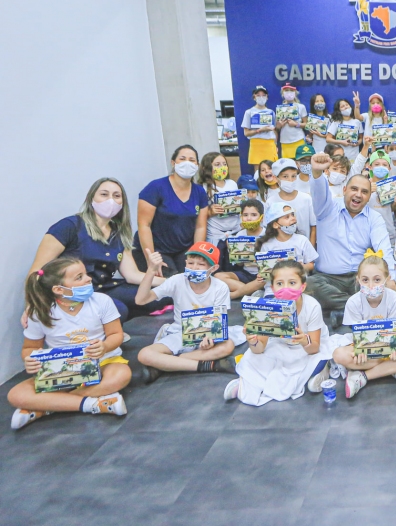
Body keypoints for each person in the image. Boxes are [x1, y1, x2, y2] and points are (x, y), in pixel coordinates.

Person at [9, 257, 131, 430]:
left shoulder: (101, 301)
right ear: (59, 289)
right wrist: (29, 359)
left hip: (104, 360)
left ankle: (47, 406)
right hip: (62, 369)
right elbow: (30, 348)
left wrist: (104, 347)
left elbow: (115, 334)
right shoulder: (40, 313)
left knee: (121, 375)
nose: (89, 278)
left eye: (86, 274)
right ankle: (94, 404)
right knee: (16, 395)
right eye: (79, 277)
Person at [25, 178, 164, 323]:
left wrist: (172, 281)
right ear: (91, 198)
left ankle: (112, 327)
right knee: (118, 311)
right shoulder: (68, 227)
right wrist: (32, 305)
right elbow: (36, 272)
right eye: (104, 194)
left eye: (116, 196)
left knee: (160, 296)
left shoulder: (119, 232)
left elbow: (132, 274)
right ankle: (106, 332)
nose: (110, 200)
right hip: (76, 292)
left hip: (106, 287)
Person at [223, 260, 339, 406]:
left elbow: (314, 347)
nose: (285, 288)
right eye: (279, 284)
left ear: (302, 286)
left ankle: (322, 370)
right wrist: (253, 341)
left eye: (292, 283)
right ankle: (245, 383)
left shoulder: (312, 306)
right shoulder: (268, 307)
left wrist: (304, 341)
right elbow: (259, 349)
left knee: (311, 360)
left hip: (308, 348)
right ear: (272, 287)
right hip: (280, 345)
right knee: (252, 357)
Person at [307, 153, 396, 311]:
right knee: (311, 285)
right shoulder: (326, 209)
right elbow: (319, 192)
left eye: (364, 192)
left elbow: (384, 248)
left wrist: (390, 281)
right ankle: (361, 307)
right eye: (354, 189)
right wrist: (317, 173)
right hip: (328, 278)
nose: (358, 194)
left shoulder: (374, 218)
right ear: (344, 190)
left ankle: (343, 310)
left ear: (369, 196)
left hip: (362, 279)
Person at [134, 242, 241, 384]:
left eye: (201, 265)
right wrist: (151, 271)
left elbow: (218, 322)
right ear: (185, 262)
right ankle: (207, 365)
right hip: (181, 332)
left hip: (207, 332)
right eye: (190, 263)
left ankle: (168, 364)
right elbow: (141, 300)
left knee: (227, 346)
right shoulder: (177, 281)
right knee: (145, 354)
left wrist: (211, 340)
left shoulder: (220, 287)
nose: (194, 268)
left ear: (213, 268)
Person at [332, 252, 396, 398]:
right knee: (338, 355)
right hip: (366, 348)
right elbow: (357, 337)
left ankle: (363, 376)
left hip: (388, 348)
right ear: (358, 280)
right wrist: (359, 350)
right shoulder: (353, 302)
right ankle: (394, 369)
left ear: (386, 280)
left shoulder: (394, 299)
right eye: (365, 280)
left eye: (377, 280)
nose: (371, 285)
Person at [134, 145, 209, 276]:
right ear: (173, 163)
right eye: (182, 158)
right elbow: (143, 225)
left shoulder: (200, 192)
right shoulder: (155, 188)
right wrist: (151, 260)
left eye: (192, 160)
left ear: (197, 165)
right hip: (156, 250)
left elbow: (200, 227)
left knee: (196, 277)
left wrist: (196, 256)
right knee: (172, 281)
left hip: (183, 250)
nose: (187, 163)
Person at [255, 202, 318, 294]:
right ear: (275, 224)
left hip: (297, 286)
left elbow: (312, 264)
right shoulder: (267, 245)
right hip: (274, 289)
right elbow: (264, 269)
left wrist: (302, 267)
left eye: (292, 215)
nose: (292, 218)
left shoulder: (302, 240)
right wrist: (261, 275)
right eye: (287, 217)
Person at [214, 199, 267, 299]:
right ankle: (253, 293)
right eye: (245, 215)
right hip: (246, 273)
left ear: (261, 217)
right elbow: (240, 264)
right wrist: (233, 251)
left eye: (253, 215)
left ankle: (236, 294)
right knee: (218, 276)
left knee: (264, 279)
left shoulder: (267, 235)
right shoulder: (240, 234)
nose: (249, 218)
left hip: (261, 275)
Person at [265, 159, 315, 246]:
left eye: (293, 176)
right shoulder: (271, 202)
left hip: (303, 249)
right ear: (275, 178)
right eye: (285, 176)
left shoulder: (306, 199)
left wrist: (310, 249)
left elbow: (313, 227)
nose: (290, 180)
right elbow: (268, 229)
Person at [197, 151, 240, 246]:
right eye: (217, 164)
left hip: (236, 232)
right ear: (206, 168)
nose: (222, 167)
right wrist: (210, 212)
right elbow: (196, 216)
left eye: (224, 164)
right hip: (215, 235)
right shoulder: (201, 188)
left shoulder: (232, 183)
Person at [242, 85, 278, 166]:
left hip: (270, 144)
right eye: (258, 95)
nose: (261, 97)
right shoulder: (249, 112)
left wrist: (275, 145)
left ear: (267, 97)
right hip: (256, 144)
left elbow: (275, 130)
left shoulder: (271, 112)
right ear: (254, 97)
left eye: (263, 95)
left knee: (271, 169)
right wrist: (260, 130)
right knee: (258, 172)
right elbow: (246, 133)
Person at [275, 83, 308, 159]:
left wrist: (296, 124)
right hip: (285, 142)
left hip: (298, 140)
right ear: (282, 93)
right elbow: (276, 127)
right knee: (288, 166)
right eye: (286, 91)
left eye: (291, 91)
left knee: (300, 163)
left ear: (295, 93)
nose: (289, 93)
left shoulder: (301, 107)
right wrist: (279, 125)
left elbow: (307, 124)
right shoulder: (279, 109)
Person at [326, 96, 362, 161]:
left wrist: (358, 143)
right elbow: (328, 139)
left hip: (354, 155)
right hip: (340, 156)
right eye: (342, 106)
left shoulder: (357, 122)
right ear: (339, 110)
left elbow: (361, 138)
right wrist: (341, 142)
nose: (346, 107)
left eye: (347, 105)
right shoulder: (336, 123)